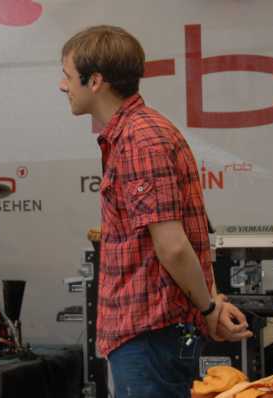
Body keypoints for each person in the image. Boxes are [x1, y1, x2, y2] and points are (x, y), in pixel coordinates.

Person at [59, 25, 253, 397]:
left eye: (67, 76)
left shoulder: (140, 139)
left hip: (147, 333)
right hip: (148, 333)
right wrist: (208, 301)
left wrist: (209, 306)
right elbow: (186, 235)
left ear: (95, 80)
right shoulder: (138, 132)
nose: (62, 85)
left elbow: (174, 246)